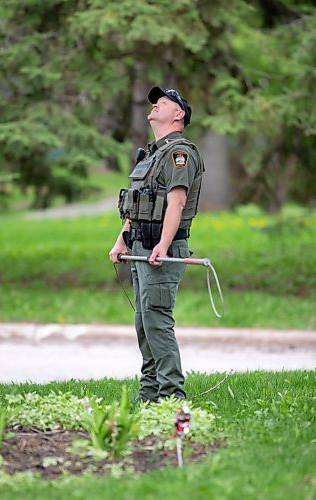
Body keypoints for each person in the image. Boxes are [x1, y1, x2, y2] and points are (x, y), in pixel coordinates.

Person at [109, 86, 205, 402]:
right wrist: (122, 240)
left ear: (179, 114)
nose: (155, 104)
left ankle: (172, 395)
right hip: (140, 248)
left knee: (157, 321)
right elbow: (139, 205)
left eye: (163, 102)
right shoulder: (153, 154)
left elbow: (176, 204)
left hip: (160, 251)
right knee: (144, 322)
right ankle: (149, 392)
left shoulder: (181, 153)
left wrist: (162, 245)